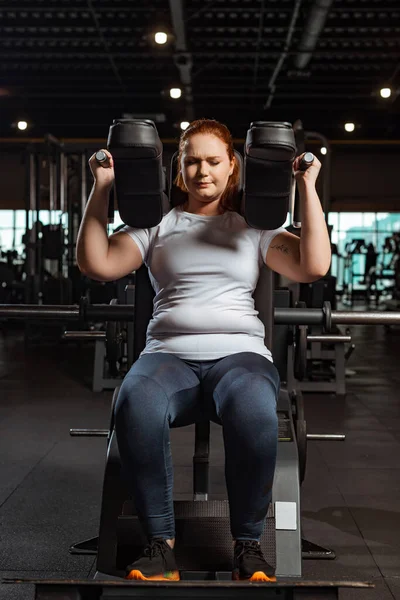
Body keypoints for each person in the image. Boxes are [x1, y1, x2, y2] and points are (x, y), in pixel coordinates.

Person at [76, 119, 331, 583]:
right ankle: (160, 548)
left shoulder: (254, 227)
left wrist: (306, 186)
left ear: (233, 166)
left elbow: (312, 266)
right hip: (166, 358)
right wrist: (103, 187)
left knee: (256, 407)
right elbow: (97, 263)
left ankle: (248, 548)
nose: (202, 171)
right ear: (177, 170)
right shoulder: (156, 226)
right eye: (191, 161)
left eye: (213, 161)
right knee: (135, 401)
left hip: (240, 358)